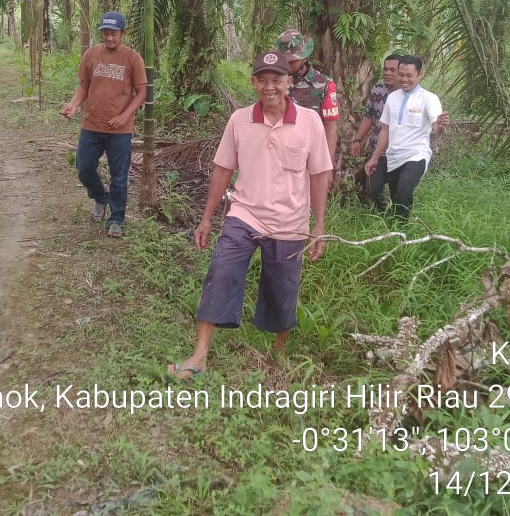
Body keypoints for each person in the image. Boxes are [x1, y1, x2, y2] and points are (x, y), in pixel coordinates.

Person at [167, 51, 333, 380]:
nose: (270, 86)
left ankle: (279, 353)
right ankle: (200, 355)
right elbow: (222, 169)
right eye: (263, 80)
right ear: (254, 82)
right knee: (221, 269)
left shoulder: (310, 122)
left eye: (277, 80)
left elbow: (319, 174)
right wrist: (206, 218)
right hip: (244, 214)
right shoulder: (240, 120)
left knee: (282, 288)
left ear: (289, 82)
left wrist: (319, 224)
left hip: (290, 222)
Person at [60, 11, 147, 238]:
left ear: (122, 33)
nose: (109, 38)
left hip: (120, 129)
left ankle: (116, 219)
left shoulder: (132, 58)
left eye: (114, 33)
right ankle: (100, 197)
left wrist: (124, 116)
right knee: (84, 166)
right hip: (91, 124)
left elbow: (142, 92)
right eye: (106, 33)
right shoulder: (91, 55)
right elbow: (83, 86)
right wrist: (73, 104)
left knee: (119, 176)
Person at [364, 55, 449, 221]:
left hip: (416, 155)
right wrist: (374, 158)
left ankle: (401, 231)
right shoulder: (392, 98)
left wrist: (440, 125)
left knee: (404, 190)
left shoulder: (429, 99)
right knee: (394, 196)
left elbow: (436, 129)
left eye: (409, 75)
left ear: (419, 74)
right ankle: (392, 224)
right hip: (393, 156)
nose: (404, 79)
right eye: (401, 75)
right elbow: (385, 130)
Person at [274, 29, 339, 164]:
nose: (287, 66)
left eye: (292, 62)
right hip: (277, 155)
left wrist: (326, 165)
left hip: (309, 156)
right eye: (284, 61)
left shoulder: (324, 84)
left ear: (304, 57)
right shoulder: (273, 82)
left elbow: (330, 127)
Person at [349, 52, 403, 208]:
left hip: (399, 151)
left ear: (402, 71)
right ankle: (384, 211)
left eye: (393, 70)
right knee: (373, 188)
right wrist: (358, 139)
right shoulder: (378, 90)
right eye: (385, 69)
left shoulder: (408, 95)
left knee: (399, 190)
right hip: (377, 151)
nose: (387, 73)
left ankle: (398, 221)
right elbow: (369, 116)